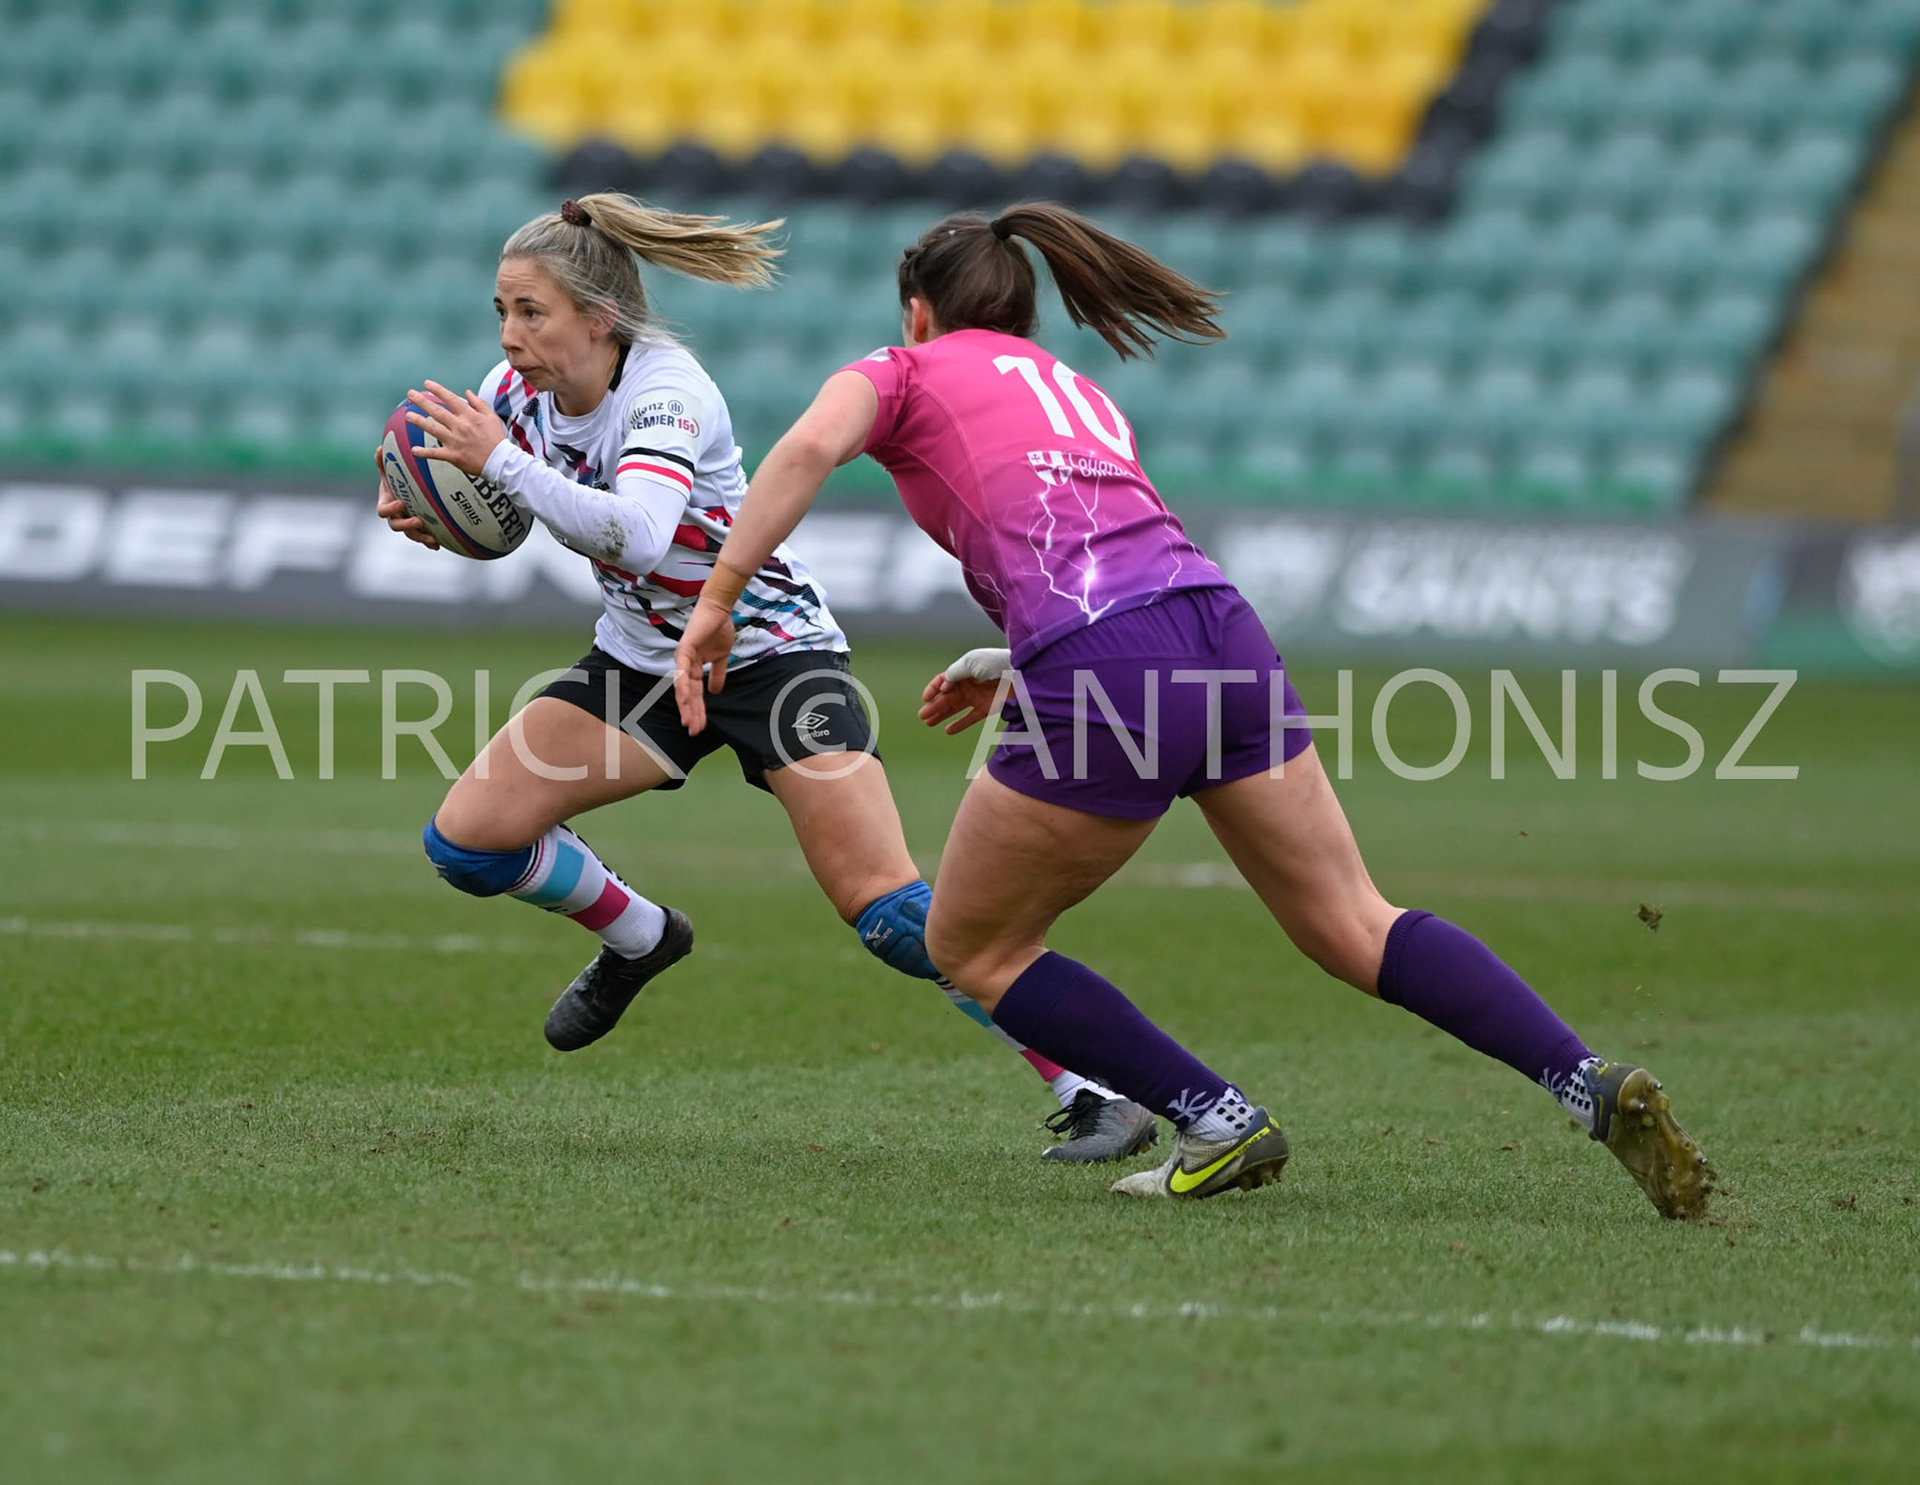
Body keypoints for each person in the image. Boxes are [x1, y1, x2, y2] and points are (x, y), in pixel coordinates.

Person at [673, 203, 1715, 1217]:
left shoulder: (899, 367)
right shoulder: (1070, 387)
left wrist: (718, 603)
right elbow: (1114, 548)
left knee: (974, 949)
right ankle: (1585, 1081)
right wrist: (1022, 658)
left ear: (917, 311)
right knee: (1355, 920)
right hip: (1220, 628)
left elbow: (806, 451)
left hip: (1105, 656)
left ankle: (1216, 1120)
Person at [375, 193, 1157, 1164]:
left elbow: (640, 529)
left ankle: (1097, 1087)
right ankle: (641, 937)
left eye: (531, 311)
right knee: (469, 846)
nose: (510, 334)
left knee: (895, 913)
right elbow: (491, 485)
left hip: (772, 656)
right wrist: (421, 497)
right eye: (501, 310)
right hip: (643, 661)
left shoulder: (669, 390)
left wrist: (502, 466)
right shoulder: (512, 392)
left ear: (599, 317)